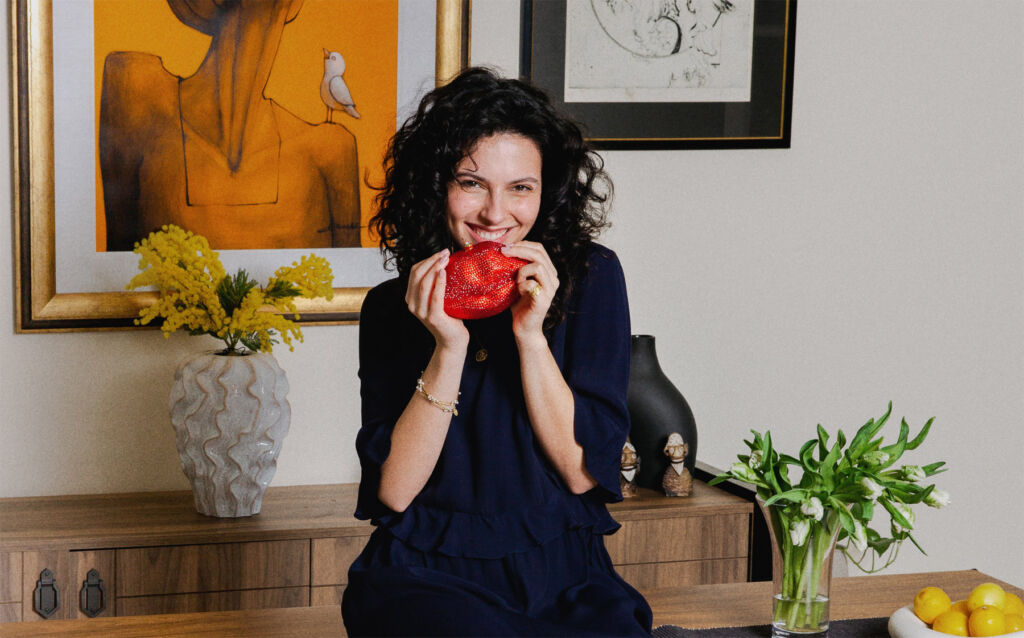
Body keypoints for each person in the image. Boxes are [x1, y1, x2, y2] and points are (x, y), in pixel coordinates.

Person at [342, 67, 653, 637]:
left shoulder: (589, 277)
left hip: (564, 572)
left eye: (520, 188)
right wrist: (448, 346)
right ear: (434, 186)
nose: (494, 214)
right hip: (424, 576)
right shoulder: (393, 305)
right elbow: (396, 490)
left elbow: (581, 473)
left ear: (547, 192)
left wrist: (531, 336)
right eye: (471, 183)